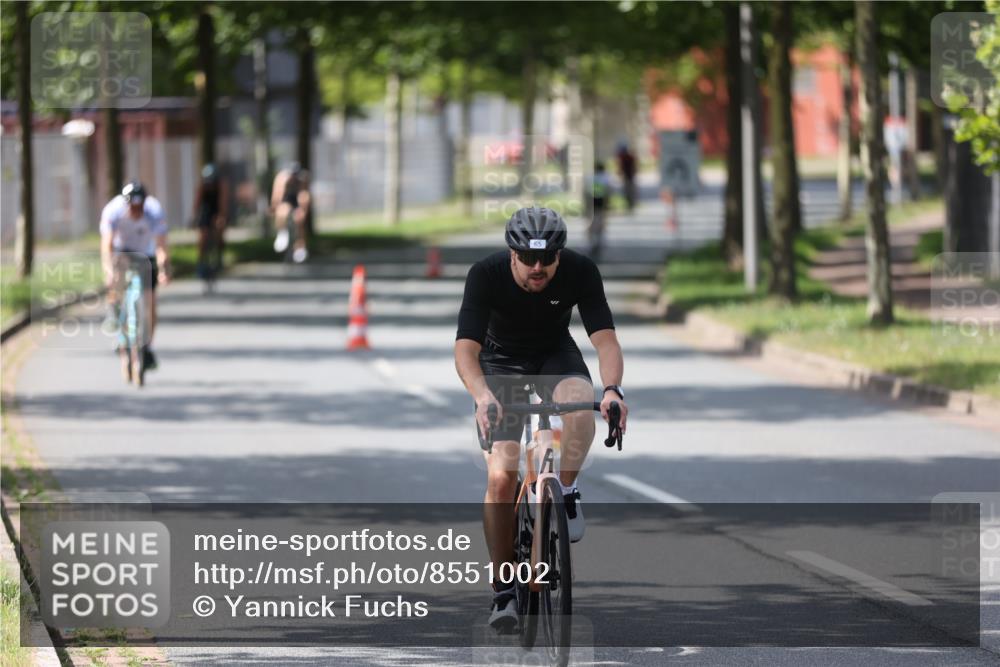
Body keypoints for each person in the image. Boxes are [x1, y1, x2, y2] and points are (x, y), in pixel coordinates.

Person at [454, 206, 629, 633]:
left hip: (554, 354)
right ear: (511, 254)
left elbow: (605, 341)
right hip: (501, 365)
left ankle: (564, 490)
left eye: (547, 260)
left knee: (580, 405)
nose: (538, 268)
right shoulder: (486, 274)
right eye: (528, 259)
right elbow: (465, 350)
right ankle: (503, 588)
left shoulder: (580, 271)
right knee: (501, 477)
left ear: (558, 255)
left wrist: (613, 390)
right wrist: (481, 397)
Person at [100, 181, 171, 375]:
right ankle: (114, 314)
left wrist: (164, 269)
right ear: (126, 204)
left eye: (140, 207)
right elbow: (106, 244)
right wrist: (108, 271)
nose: (136, 211)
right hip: (122, 251)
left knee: (150, 302)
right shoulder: (113, 211)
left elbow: (161, 246)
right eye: (132, 207)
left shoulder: (154, 211)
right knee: (116, 282)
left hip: (145, 255)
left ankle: (147, 346)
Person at [193, 163, 229, 288]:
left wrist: (221, 218)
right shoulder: (202, 186)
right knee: (203, 235)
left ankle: (219, 253)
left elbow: (222, 204)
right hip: (206, 209)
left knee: (219, 229)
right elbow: (197, 203)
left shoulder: (221, 185)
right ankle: (201, 261)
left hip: (217, 209)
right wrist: (195, 218)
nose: (210, 184)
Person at [271, 162, 311, 263]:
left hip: (297, 200)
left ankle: (300, 246)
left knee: (299, 219)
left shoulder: (302, 179)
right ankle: (282, 233)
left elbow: (304, 196)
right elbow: (277, 197)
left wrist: (302, 211)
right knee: (282, 211)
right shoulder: (282, 179)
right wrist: (275, 209)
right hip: (285, 199)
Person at [588, 162, 611, 261]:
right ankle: (599, 242)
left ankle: (593, 242)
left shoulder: (591, 178)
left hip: (593, 205)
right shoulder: (605, 179)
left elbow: (587, 193)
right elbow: (608, 192)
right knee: (601, 224)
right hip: (601, 205)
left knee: (592, 225)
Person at [615, 142, 637, 213]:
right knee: (628, 190)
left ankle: (630, 203)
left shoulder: (627, 157)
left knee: (628, 190)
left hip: (629, 176)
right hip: (628, 176)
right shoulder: (626, 157)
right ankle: (629, 203)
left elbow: (621, 166)